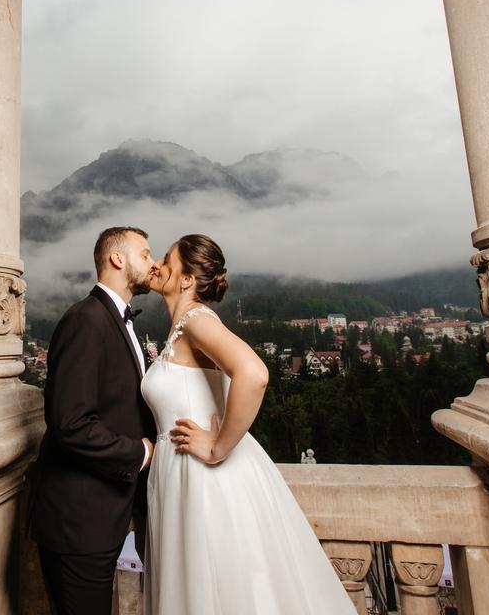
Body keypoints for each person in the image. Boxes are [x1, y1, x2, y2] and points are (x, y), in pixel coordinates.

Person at [141, 234, 356, 614]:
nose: (157, 264)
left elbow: (253, 372)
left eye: (167, 259)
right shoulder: (182, 327)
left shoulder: (195, 320)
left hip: (203, 476)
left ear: (187, 280)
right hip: (180, 473)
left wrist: (218, 445)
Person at [28, 226, 158, 615]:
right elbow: (70, 422)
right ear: (118, 259)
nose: (154, 263)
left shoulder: (117, 319)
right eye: (146, 254)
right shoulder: (86, 320)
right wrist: (138, 453)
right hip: (77, 523)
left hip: (104, 516)